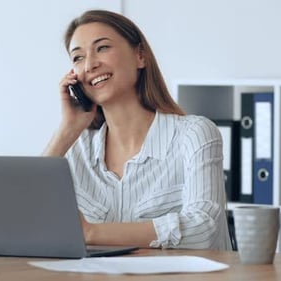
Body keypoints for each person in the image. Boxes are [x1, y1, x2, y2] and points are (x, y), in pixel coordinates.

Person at [43, 9, 231, 250]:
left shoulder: (194, 134)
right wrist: (67, 131)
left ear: (140, 56)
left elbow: (203, 228)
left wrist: (91, 232)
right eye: (78, 58)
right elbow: (24, 220)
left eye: (102, 48)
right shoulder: (76, 146)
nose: (90, 64)